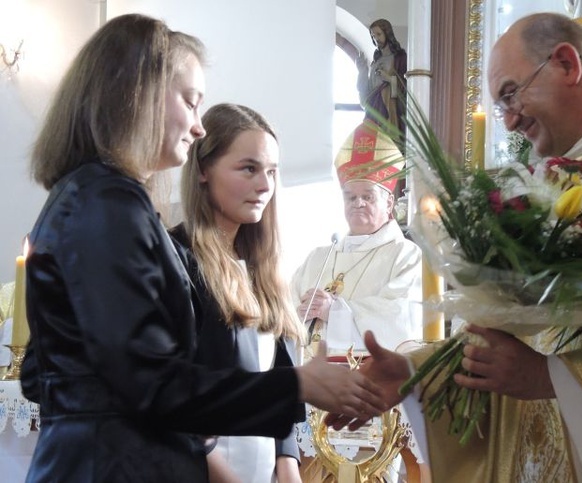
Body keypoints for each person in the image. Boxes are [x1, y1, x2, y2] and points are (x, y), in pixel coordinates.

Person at [327, 12, 582, 482]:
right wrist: (415, 371)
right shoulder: (542, 188)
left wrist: (551, 379)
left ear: (567, 64)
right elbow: (522, 336)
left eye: (511, 93)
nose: (508, 121)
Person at [19, 14, 385, 483]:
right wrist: (296, 385)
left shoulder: (100, 198)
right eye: (191, 103)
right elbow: (150, 384)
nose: (197, 128)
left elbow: (51, 371)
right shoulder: (106, 202)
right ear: (139, 94)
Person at [170, 103, 305, 482]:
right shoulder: (174, 260)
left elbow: (281, 385)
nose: (265, 185)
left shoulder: (264, 268)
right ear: (202, 170)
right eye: (249, 168)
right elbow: (168, 393)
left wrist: (288, 466)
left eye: (272, 172)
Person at [290, 121, 421, 358]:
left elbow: (401, 317)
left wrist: (335, 311)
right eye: (350, 197)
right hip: (310, 379)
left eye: (367, 196)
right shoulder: (318, 258)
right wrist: (296, 315)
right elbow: (285, 311)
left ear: (389, 203)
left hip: (369, 382)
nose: (357, 203)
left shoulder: (405, 255)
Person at [356, 19, 407, 152]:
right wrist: (362, 71)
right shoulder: (376, 60)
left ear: (387, 33)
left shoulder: (400, 57)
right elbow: (368, 92)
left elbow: (405, 88)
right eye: (373, 35)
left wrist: (389, 79)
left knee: (388, 148)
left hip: (390, 110)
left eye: (378, 34)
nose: (376, 38)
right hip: (373, 109)